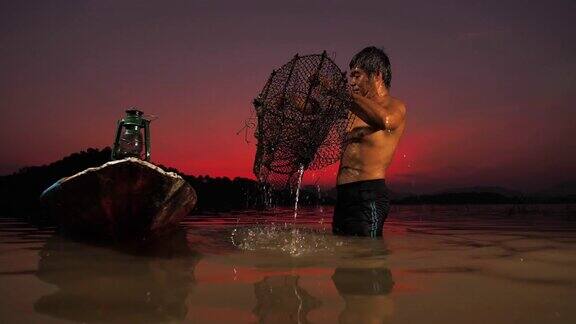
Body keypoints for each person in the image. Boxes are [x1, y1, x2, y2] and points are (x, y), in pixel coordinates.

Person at [332, 46, 407, 237]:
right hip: (343, 197)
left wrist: (346, 95)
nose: (352, 82)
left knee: (368, 260)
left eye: (357, 75)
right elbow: (315, 112)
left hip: (369, 195)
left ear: (377, 75)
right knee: (343, 261)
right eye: (351, 77)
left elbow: (386, 121)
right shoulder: (354, 109)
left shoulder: (395, 106)